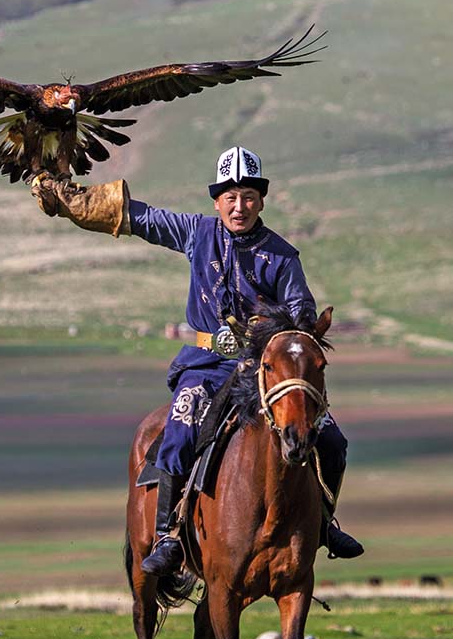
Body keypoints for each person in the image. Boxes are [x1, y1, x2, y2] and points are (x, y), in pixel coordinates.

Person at [32, 145, 363, 576]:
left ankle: (324, 524)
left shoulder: (282, 257)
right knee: (180, 428)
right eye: (230, 197)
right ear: (216, 201)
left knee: (333, 441)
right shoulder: (196, 233)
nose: (238, 206)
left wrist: (279, 335)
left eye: (247, 196)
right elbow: (143, 219)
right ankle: (170, 535)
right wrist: (77, 201)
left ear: (261, 200)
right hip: (205, 365)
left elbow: (301, 316)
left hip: (262, 372)